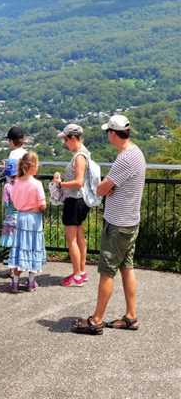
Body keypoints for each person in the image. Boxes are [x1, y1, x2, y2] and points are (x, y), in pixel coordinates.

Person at [73, 115, 146, 335]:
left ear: (113, 133)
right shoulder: (136, 153)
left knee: (107, 271)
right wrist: (109, 187)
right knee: (126, 267)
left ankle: (96, 320)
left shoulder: (125, 158)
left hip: (118, 224)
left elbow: (101, 189)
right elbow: (110, 187)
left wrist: (106, 187)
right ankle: (131, 317)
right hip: (130, 221)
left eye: (108, 132)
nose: (107, 135)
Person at [52, 124, 92, 287]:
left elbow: (78, 182)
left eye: (66, 139)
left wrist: (60, 184)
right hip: (81, 201)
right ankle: (81, 271)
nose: (65, 143)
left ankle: (77, 274)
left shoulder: (79, 156)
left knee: (72, 239)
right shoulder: (84, 153)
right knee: (80, 237)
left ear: (74, 138)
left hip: (74, 201)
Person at [7, 152, 47, 292]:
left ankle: (15, 282)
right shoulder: (37, 184)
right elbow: (42, 206)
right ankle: (31, 282)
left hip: (21, 217)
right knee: (32, 248)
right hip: (34, 219)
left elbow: (14, 201)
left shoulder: (15, 182)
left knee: (20, 248)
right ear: (32, 166)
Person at [0, 126, 27, 281]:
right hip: (25, 195)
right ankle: (20, 265)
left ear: (11, 141)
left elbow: (11, 173)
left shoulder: (13, 154)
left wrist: (6, 167)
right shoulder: (26, 153)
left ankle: (12, 268)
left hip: (13, 195)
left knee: (12, 230)